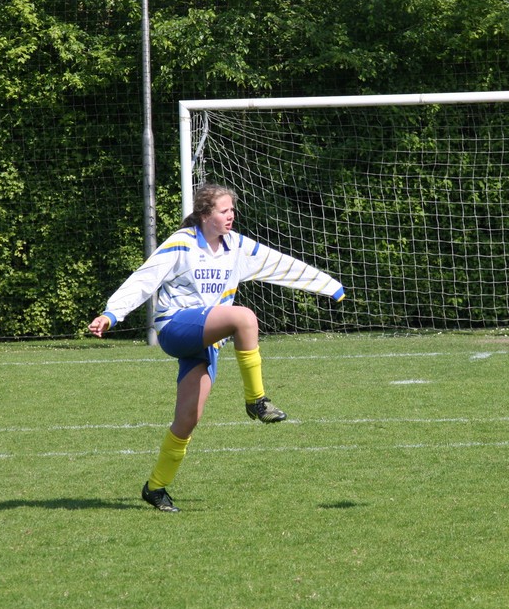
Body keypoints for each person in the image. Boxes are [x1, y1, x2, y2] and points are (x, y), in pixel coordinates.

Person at [88, 183, 345, 513]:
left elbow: (280, 264)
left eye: (232, 210)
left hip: (205, 339)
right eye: (224, 210)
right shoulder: (182, 243)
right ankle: (256, 401)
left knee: (188, 420)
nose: (231, 215)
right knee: (244, 318)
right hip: (175, 327)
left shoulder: (236, 246)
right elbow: (144, 279)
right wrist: (111, 314)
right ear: (205, 215)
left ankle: (155, 487)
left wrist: (328, 286)